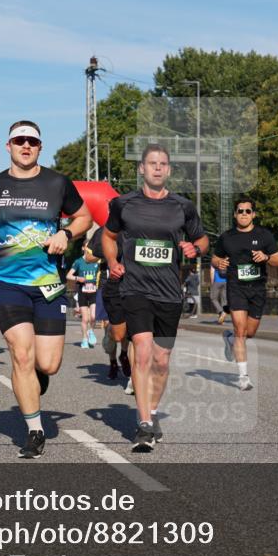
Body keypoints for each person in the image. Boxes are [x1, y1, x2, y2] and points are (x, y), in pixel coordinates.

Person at [0, 120, 92, 459]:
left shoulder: (57, 183)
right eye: (19, 140)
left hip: (48, 285)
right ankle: (35, 431)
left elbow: (85, 217)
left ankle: (36, 375)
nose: (25, 146)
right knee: (21, 353)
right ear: (8, 146)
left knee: (48, 364)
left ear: (40, 147)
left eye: (32, 142)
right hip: (8, 285)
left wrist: (66, 233)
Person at [103, 143, 208, 452]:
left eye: (163, 164)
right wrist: (112, 261)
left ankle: (152, 410)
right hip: (135, 289)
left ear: (169, 170)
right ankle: (144, 423)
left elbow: (202, 239)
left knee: (161, 361)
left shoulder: (183, 207)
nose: (158, 168)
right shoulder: (123, 204)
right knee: (143, 353)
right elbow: (108, 236)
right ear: (142, 169)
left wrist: (195, 248)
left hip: (169, 293)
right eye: (152, 163)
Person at [213, 197, 278, 391]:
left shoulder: (264, 235)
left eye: (248, 211)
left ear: (254, 214)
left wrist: (266, 257)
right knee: (241, 330)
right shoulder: (226, 237)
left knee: (249, 332)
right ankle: (243, 377)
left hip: (257, 288)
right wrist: (219, 263)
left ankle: (230, 339)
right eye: (240, 211)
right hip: (236, 287)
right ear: (235, 214)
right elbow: (215, 258)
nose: (244, 214)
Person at [86, 226, 131, 382]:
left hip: (129, 284)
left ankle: (124, 354)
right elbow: (88, 257)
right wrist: (109, 253)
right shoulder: (102, 232)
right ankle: (112, 362)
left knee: (127, 324)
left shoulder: (133, 228)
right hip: (106, 284)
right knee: (108, 326)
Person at [67, 241, 100, 348]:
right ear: (83, 248)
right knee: (85, 319)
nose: (90, 248)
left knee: (93, 316)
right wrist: (78, 278)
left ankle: (91, 332)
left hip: (94, 292)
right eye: (87, 246)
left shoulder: (97, 261)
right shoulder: (78, 261)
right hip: (83, 292)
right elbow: (68, 276)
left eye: (91, 246)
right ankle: (84, 339)